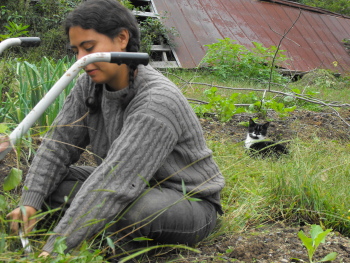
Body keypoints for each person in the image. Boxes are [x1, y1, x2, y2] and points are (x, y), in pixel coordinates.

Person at [5, 0, 225, 258]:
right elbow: (57, 147)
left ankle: (118, 245)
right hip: (129, 185)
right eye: (75, 51)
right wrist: (29, 204)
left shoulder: (157, 100)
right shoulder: (88, 86)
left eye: (89, 48)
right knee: (48, 184)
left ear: (122, 38)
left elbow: (115, 182)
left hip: (187, 199)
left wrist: (55, 250)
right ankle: (97, 230)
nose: (81, 60)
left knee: (134, 212)